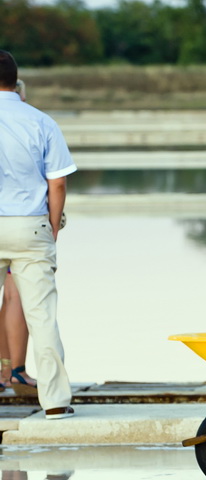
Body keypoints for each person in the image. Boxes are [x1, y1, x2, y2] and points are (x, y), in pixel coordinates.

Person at [0, 50, 74, 419]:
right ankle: (56, 402)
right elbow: (57, 183)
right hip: (30, 224)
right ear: (16, 81)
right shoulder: (41, 121)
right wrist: (52, 227)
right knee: (42, 315)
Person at [0, 78, 38, 396]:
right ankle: (15, 370)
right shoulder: (31, 126)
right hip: (22, 223)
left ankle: (5, 370)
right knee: (16, 296)